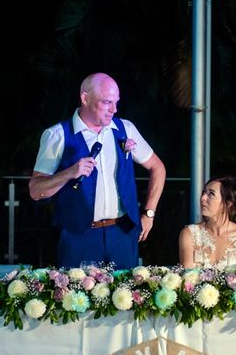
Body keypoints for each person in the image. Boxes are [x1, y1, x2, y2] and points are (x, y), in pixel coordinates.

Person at [29, 73, 166, 269]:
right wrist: (69, 173)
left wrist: (149, 214)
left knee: (127, 297)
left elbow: (158, 167)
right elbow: (35, 190)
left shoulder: (125, 128)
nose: (114, 109)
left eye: (116, 102)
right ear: (85, 98)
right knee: (77, 300)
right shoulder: (57, 135)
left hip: (122, 234)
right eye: (107, 102)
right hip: (78, 237)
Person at [179, 176, 236, 270]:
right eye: (204, 192)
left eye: (211, 194)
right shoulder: (190, 234)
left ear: (228, 203)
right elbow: (187, 277)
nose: (203, 198)